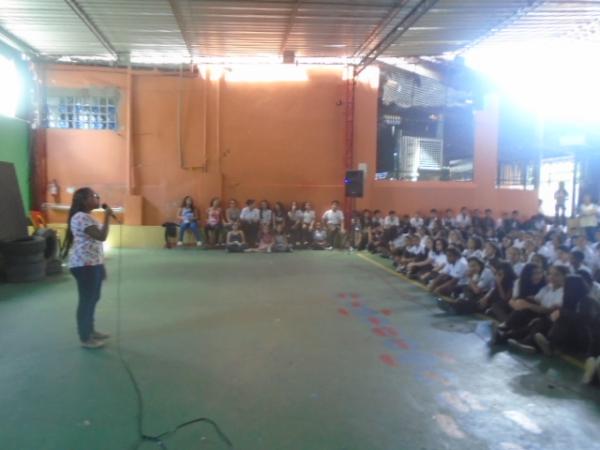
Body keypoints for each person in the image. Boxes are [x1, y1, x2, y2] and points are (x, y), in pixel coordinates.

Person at [62, 187, 113, 349]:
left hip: (93, 264)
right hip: (84, 266)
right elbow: (102, 237)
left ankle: (91, 330)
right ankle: (85, 338)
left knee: (93, 298)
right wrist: (107, 217)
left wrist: (101, 266)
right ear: (84, 200)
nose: (97, 198)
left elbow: (95, 244)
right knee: (86, 301)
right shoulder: (80, 217)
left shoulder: (87, 217)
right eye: (93, 196)